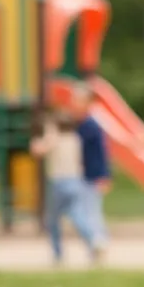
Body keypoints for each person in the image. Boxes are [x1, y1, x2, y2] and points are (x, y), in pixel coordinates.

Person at [29, 105, 99, 265]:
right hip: (75, 180)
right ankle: (92, 241)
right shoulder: (75, 139)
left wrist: (46, 131)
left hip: (59, 181)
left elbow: (38, 150)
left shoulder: (55, 139)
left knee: (53, 219)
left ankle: (57, 253)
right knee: (76, 214)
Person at [73, 83, 110, 259]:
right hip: (83, 174)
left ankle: (99, 242)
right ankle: (95, 244)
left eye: (78, 100)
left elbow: (101, 153)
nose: (74, 103)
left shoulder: (92, 124)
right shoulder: (80, 123)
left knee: (92, 212)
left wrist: (104, 176)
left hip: (93, 175)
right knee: (86, 211)